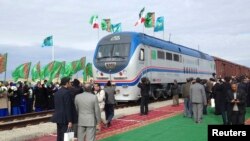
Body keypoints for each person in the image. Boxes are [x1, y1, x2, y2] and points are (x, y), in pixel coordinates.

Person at [51, 77, 73, 141]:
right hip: (65, 118)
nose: (70, 84)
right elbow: (68, 107)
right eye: (70, 82)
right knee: (64, 136)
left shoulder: (57, 92)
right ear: (67, 83)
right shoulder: (67, 93)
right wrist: (70, 120)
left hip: (58, 116)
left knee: (59, 135)